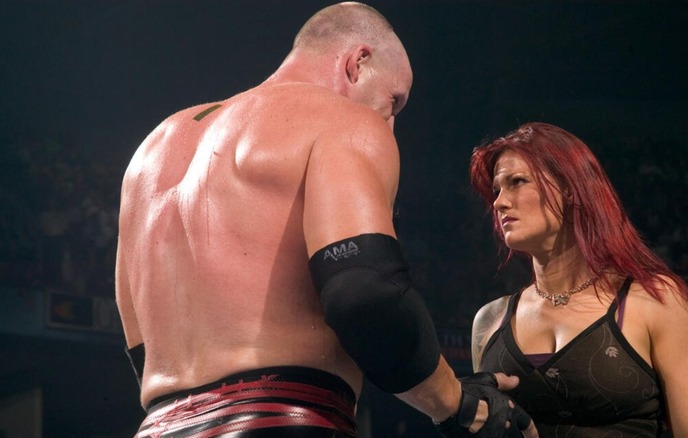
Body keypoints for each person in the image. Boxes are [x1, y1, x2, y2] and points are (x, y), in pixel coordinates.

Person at [115, 2, 535, 437]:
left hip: (157, 426)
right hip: (281, 418)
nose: (389, 126)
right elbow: (363, 293)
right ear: (357, 62)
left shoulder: (153, 150)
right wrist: (456, 402)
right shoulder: (342, 119)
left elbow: (142, 346)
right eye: (394, 101)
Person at [468, 122, 688, 437]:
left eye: (517, 182)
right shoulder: (489, 322)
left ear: (570, 189)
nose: (499, 202)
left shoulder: (657, 302)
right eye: (496, 190)